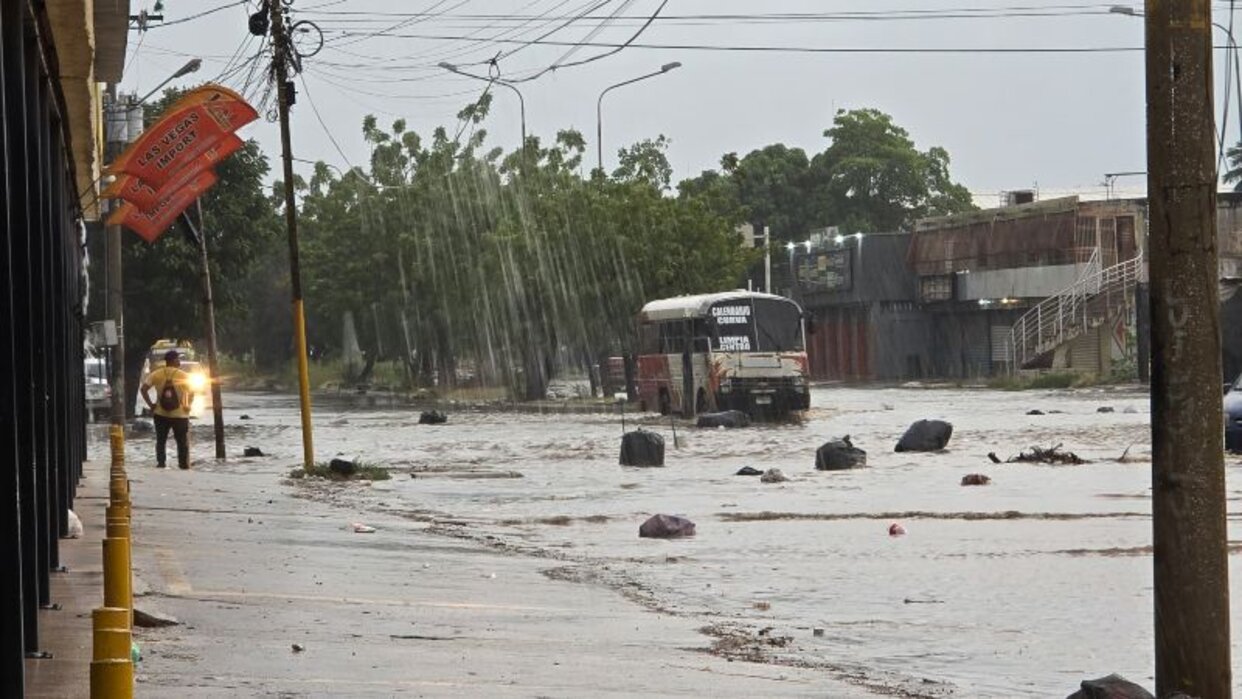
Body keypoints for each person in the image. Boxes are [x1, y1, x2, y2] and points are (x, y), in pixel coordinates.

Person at [140, 350, 193, 469]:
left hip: (160, 414)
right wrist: (187, 404)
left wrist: (151, 405)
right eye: (178, 359)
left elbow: (143, 389)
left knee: (161, 441)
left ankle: (161, 464)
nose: (179, 361)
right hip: (180, 415)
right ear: (173, 360)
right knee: (181, 442)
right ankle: (183, 466)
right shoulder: (183, 375)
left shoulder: (156, 374)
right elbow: (191, 392)